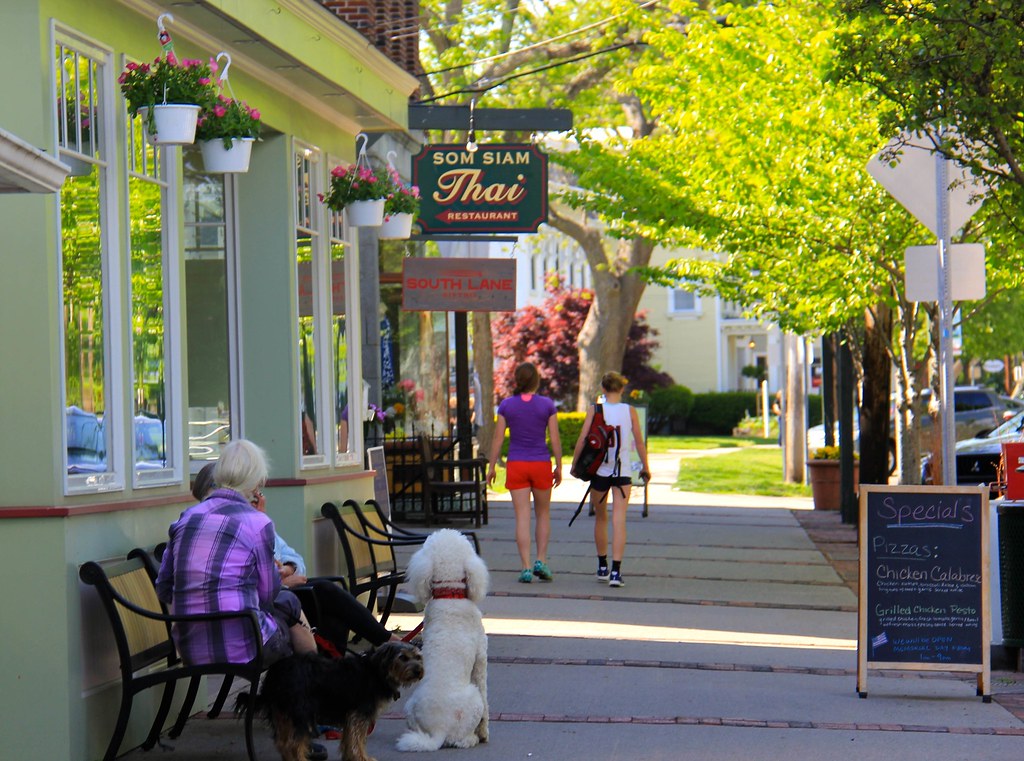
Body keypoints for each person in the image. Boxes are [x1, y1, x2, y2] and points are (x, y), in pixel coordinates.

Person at [190, 462, 399, 657]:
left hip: (274, 599)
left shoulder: (246, 519)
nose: (250, 497)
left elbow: (295, 560)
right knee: (326, 592)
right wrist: (281, 581)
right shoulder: (215, 525)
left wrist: (288, 569)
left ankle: (330, 680)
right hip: (257, 611)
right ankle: (383, 642)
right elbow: (245, 582)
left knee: (332, 610)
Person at [156, 440, 316, 667]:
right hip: (245, 647)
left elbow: (164, 587)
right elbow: (268, 595)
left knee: (286, 606)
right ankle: (311, 683)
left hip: (190, 648)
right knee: (289, 604)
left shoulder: (186, 518)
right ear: (256, 481)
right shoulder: (258, 523)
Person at [572, 372, 651, 588]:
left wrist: (575, 464)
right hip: (622, 472)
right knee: (619, 519)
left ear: (603, 389)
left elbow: (583, 438)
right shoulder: (630, 411)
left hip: (599, 471)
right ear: (622, 389)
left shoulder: (595, 410)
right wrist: (645, 466)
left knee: (600, 518)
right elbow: (639, 442)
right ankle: (616, 572)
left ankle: (602, 565)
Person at [487, 361, 562, 583]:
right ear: (536, 381)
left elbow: (498, 439)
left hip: (517, 464)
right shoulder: (547, 405)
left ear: (517, 381)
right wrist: (559, 465)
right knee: (542, 514)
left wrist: (491, 467)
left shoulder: (507, 406)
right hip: (540, 463)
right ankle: (541, 560)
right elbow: (555, 438)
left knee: (522, 516)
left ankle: (526, 567)